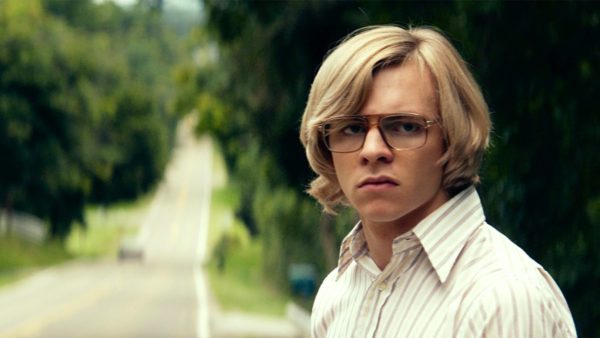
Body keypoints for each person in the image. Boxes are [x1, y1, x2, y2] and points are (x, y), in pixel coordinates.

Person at [299, 25, 576, 337]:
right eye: (351, 128)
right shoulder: (336, 296)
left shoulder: (502, 299)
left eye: (404, 126)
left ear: (452, 136)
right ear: (324, 142)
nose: (373, 150)